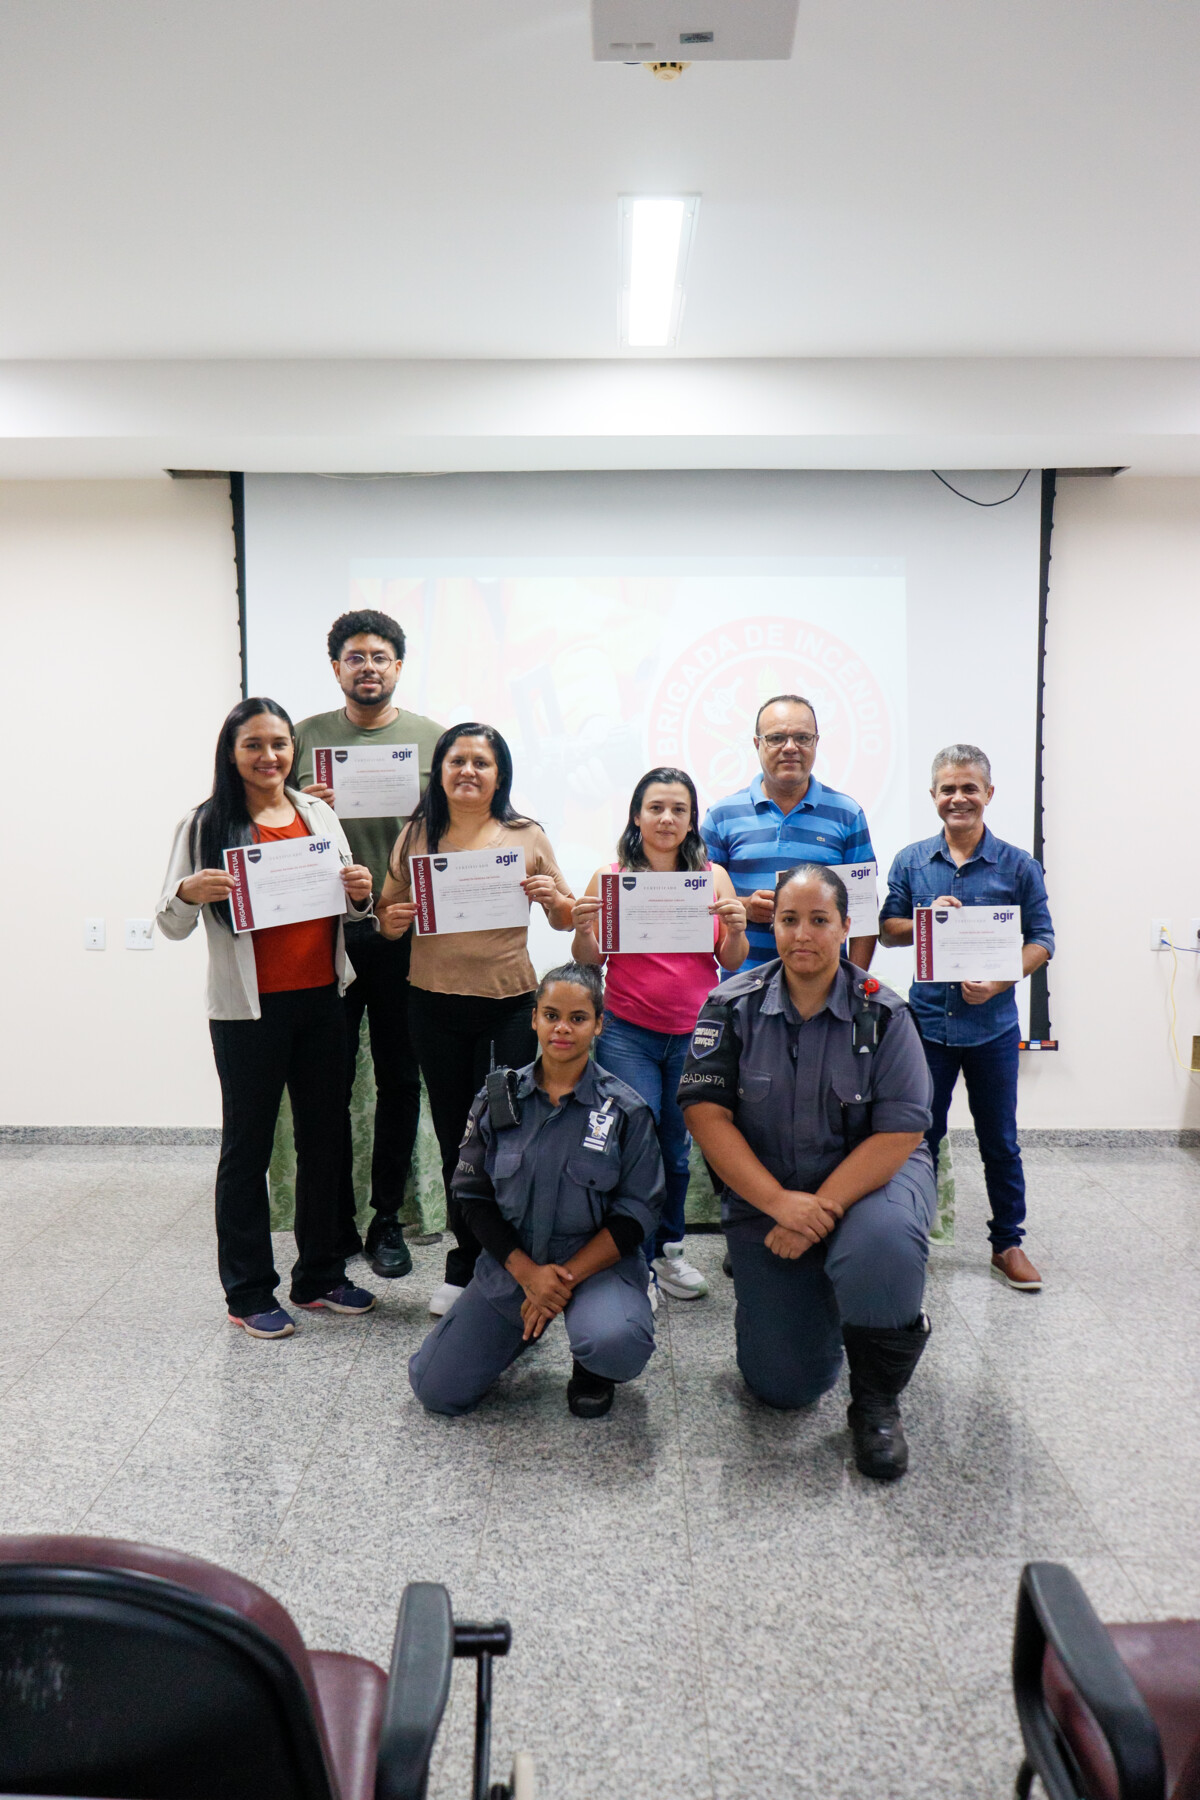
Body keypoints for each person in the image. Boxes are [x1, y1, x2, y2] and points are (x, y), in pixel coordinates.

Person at [679, 865, 936, 1480]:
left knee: (882, 1244)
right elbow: (707, 1117)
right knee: (783, 1386)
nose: (802, 935)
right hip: (771, 1196)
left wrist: (814, 1212)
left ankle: (876, 1401)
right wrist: (780, 1205)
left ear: (846, 927)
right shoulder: (730, 1005)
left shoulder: (885, 1014)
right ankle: (825, 1298)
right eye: (790, 919)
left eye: (820, 920)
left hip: (872, 1180)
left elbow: (900, 1131)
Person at [157, 697, 378, 1339]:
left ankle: (319, 1275)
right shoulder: (203, 825)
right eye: (253, 744)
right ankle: (249, 1289)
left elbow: (348, 907)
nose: (269, 756)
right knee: (247, 1147)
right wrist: (186, 894)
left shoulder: (316, 813)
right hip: (247, 1011)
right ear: (232, 752)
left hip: (322, 1000)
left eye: (279, 743)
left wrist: (359, 894)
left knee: (325, 1139)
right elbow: (168, 924)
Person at [378, 723, 575, 1315]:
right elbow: (388, 912)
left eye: (481, 763)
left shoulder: (525, 835)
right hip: (432, 1005)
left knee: (506, 1138)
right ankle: (464, 1263)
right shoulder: (416, 834)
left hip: (508, 1008)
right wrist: (391, 921)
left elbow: (567, 920)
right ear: (439, 771)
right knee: (454, 1140)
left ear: (499, 774)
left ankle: (511, 1260)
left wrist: (550, 898)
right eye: (456, 760)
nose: (468, 771)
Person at [408, 963, 664, 1419]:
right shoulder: (497, 1100)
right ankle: (515, 1335)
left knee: (614, 1343)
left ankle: (590, 1366)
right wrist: (529, 1276)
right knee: (435, 1389)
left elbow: (636, 1214)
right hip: (516, 1263)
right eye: (550, 1015)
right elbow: (473, 1198)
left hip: (596, 1265)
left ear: (599, 1024)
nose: (562, 1028)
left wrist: (556, 1284)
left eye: (578, 1018)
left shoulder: (626, 1110)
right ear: (534, 1019)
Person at [294, 608, 443, 1281]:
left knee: (397, 1079)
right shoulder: (301, 741)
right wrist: (305, 802)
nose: (368, 667)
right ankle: (334, 1221)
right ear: (336, 668)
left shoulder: (433, 742)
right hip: (325, 935)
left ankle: (387, 1218)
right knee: (326, 1083)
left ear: (398, 666)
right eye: (355, 657)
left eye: (380, 656)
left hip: (403, 935)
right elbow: (269, 830)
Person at [878, 744, 1055, 1292]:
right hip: (926, 1027)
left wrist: (1001, 980)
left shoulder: (1019, 866)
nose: (958, 798)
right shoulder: (911, 861)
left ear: (988, 795)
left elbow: (1043, 941)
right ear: (933, 797)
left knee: (998, 1139)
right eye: (948, 789)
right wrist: (924, 920)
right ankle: (912, 1239)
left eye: (969, 788)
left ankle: (1008, 1244)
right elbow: (887, 928)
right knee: (917, 1138)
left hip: (993, 1030)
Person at [570, 766, 748, 1306]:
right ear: (636, 815)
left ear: (693, 820)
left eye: (679, 809)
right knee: (635, 1149)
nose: (667, 819)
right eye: (656, 808)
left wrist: (737, 928)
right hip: (628, 1033)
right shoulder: (610, 877)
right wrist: (583, 927)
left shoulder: (712, 878)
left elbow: (729, 961)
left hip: (697, 1036)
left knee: (676, 1151)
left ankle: (668, 1252)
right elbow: (589, 961)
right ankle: (633, 1261)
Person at [701, 693, 877, 973]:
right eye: (776, 738)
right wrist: (743, 907)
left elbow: (864, 914)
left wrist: (853, 987)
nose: (791, 747)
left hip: (825, 991)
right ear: (757, 744)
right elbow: (696, 906)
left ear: (816, 743)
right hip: (743, 990)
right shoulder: (721, 816)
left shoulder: (847, 814)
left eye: (803, 738)